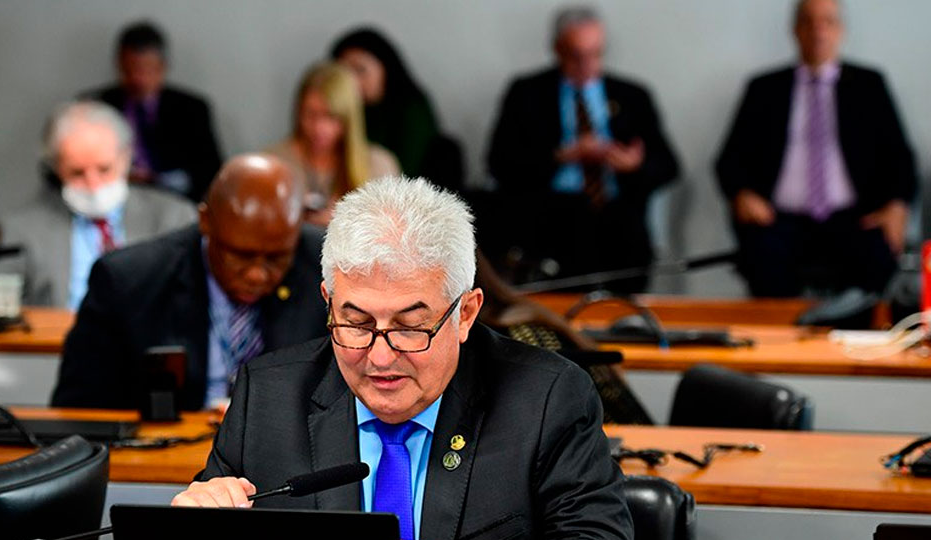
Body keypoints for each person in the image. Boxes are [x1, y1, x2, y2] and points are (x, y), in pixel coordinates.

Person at [171, 176, 634, 540]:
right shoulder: (269, 395)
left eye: (411, 327)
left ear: (465, 313)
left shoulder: (545, 396)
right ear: (328, 302)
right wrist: (189, 534)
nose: (380, 356)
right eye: (355, 323)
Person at [51, 153, 328, 411]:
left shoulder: (325, 267)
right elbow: (77, 408)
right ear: (205, 221)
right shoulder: (128, 281)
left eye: (276, 258)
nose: (257, 274)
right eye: (240, 256)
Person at [715, 0, 916, 297]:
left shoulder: (868, 85)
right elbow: (729, 160)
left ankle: (858, 333)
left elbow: (900, 159)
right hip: (779, 221)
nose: (818, 31)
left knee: (876, 252)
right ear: (795, 29)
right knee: (761, 252)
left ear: (841, 30)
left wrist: (897, 207)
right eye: (809, 22)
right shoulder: (764, 89)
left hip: (853, 219)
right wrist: (743, 194)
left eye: (827, 22)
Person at [486, 6, 679, 292]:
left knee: (626, 240)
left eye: (595, 54)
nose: (587, 65)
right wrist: (562, 155)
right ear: (557, 49)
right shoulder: (527, 93)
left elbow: (668, 166)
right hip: (552, 216)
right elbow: (499, 163)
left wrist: (633, 165)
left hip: (618, 215)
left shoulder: (633, 95)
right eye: (576, 55)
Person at [0, 100, 195, 309]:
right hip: (57, 339)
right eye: (77, 172)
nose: (93, 185)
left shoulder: (174, 218)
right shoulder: (23, 229)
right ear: (56, 168)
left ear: (126, 157)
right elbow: (2, 313)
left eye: (104, 169)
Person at [89, 21, 223, 201]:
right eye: (129, 70)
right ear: (119, 65)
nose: (137, 79)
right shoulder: (96, 107)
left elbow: (211, 172)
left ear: (162, 67)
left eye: (145, 70)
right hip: (113, 201)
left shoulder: (192, 109)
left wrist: (158, 180)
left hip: (176, 203)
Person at [268, 62, 399, 227]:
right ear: (298, 112)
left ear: (349, 119)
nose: (319, 128)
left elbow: (390, 232)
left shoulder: (379, 165)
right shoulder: (273, 163)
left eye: (330, 117)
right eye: (311, 114)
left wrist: (342, 221)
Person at [331, 27, 463, 189]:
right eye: (344, 73)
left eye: (361, 70)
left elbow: (405, 174)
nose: (353, 80)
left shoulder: (411, 109)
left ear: (385, 67)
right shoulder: (342, 111)